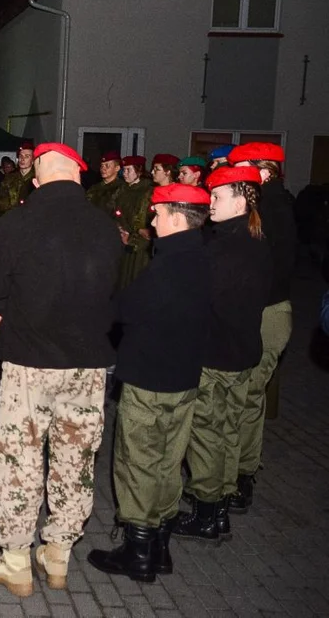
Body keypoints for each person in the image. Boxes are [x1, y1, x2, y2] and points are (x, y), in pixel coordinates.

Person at [0, 143, 121, 597]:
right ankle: (58, 554)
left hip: (28, 360)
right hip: (88, 364)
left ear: (35, 182)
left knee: (19, 458)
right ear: (79, 176)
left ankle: (16, 559)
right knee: (75, 460)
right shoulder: (105, 226)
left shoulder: (15, 223)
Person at [87, 184, 211, 582]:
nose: (152, 221)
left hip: (150, 379)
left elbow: (126, 308)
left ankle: (137, 552)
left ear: (176, 217)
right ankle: (159, 547)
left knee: (137, 462)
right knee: (169, 463)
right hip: (185, 378)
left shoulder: (168, 264)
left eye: (157, 214)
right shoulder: (202, 258)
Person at [172, 166, 271, 543]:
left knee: (207, 435)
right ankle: (221, 505)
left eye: (217, 196)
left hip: (216, 354)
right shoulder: (254, 237)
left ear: (240, 200)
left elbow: (203, 301)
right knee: (228, 431)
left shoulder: (224, 246)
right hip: (242, 351)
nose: (210, 202)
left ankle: (207, 512)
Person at [223, 143, 295, 512]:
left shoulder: (274, 209)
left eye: (244, 167)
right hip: (259, 309)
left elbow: (273, 271)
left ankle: (241, 476)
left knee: (250, 397)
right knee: (244, 396)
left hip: (266, 313)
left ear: (264, 171)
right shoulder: (267, 205)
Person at [115, 155, 153, 288]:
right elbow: (115, 210)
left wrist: (132, 233)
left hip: (137, 241)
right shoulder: (122, 189)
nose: (125, 174)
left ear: (139, 171)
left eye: (128, 170)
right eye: (123, 170)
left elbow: (141, 218)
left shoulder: (146, 191)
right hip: (122, 236)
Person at [0, 141, 35, 214]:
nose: (22, 159)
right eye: (20, 156)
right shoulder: (9, 178)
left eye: (27, 156)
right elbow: (1, 201)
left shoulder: (37, 179)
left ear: (33, 160)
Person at [86, 150, 123, 217]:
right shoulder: (94, 188)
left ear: (117, 168)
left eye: (107, 166)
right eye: (102, 166)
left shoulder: (123, 188)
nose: (103, 169)